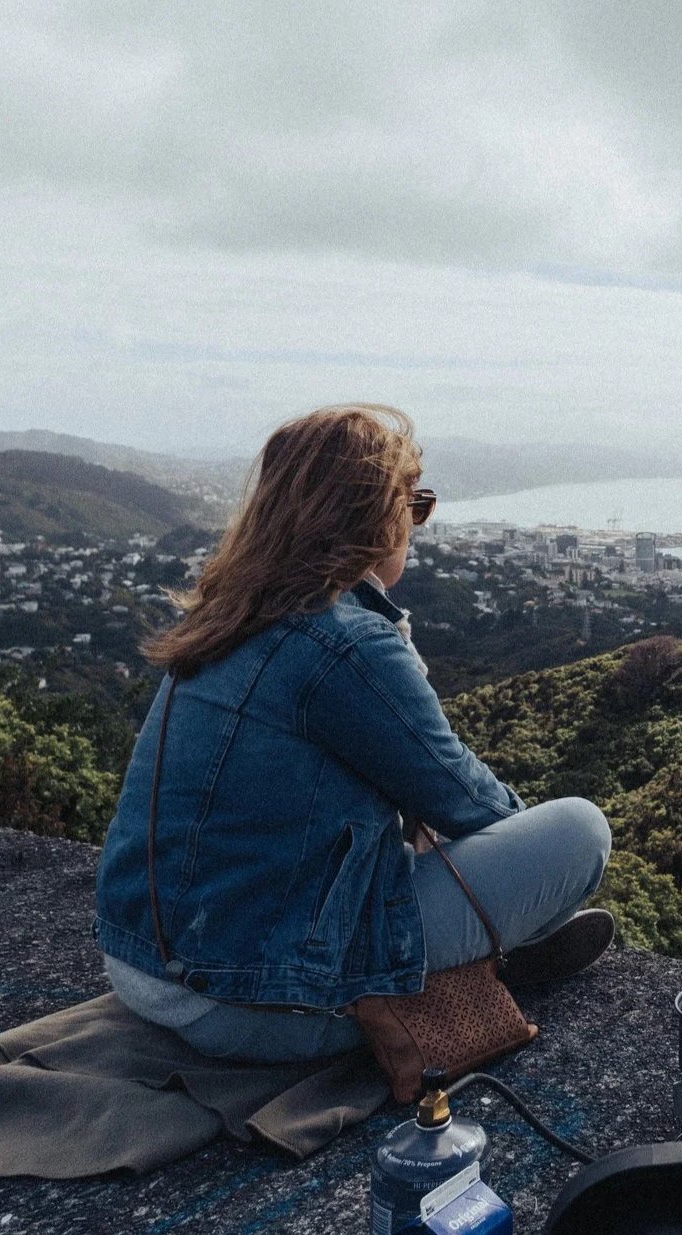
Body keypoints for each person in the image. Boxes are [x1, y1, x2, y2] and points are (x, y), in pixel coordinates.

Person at [92, 404, 613, 1063]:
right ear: (373, 512)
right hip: (245, 1001)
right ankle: (480, 958)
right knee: (579, 831)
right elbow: (465, 801)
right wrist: (526, 875)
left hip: (142, 964)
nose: (416, 524)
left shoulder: (233, 611)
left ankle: (495, 948)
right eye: (414, 503)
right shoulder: (343, 638)